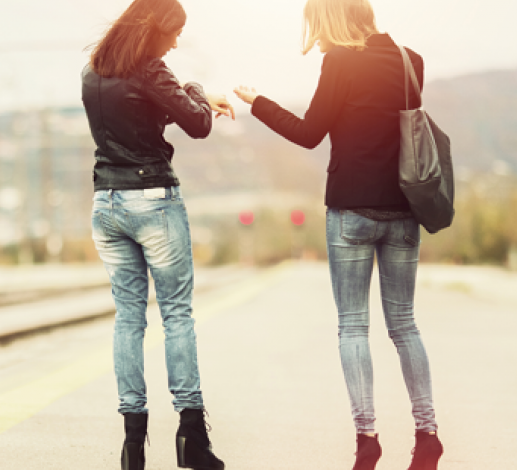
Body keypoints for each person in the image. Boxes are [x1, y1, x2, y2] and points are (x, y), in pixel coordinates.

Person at [233, 0, 443, 469]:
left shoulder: (339, 63)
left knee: (353, 326)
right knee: (404, 325)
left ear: (330, 21)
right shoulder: (412, 61)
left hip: (350, 210)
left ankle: (366, 439)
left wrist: (257, 102)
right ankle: (428, 434)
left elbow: (309, 133)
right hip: (404, 211)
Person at [81, 0, 233, 469]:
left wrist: (183, 96)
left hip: (106, 203)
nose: (176, 41)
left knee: (129, 319)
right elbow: (199, 124)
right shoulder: (151, 70)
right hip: (152, 201)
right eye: (175, 32)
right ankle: (191, 437)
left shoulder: (94, 72)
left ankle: (133, 445)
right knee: (176, 316)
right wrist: (198, 91)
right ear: (155, 29)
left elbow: (140, 119)